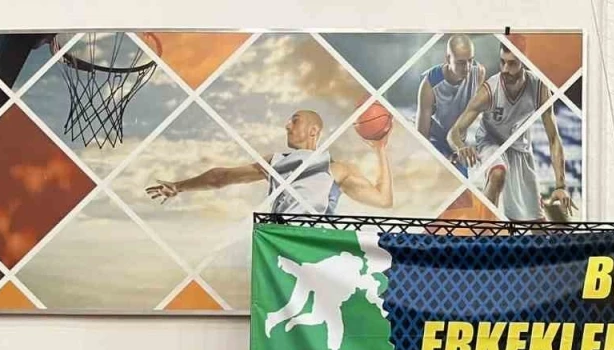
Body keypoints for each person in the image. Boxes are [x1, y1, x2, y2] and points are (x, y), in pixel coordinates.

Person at [147, 109, 393, 215]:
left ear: (313, 130)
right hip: (281, 248)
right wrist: (179, 186)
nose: (287, 125)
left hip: (314, 252)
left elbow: (384, 200)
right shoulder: (277, 162)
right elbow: (220, 177)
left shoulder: (337, 168)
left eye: (295, 120)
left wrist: (380, 150)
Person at [447, 42, 571, 221]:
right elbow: (455, 131)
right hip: (490, 142)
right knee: (498, 173)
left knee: (536, 224)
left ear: (524, 62)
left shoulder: (540, 88)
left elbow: (553, 138)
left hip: (520, 149)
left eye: (512, 63)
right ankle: (485, 233)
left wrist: (561, 186)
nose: (505, 69)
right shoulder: (488, 91)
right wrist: (460, 146)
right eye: (502, 62)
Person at [417, 34, 487, 169]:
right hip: (435, 143)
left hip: (457, 142)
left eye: (470, 60)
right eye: (461, 62)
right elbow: (421, 138)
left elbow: (470, 112)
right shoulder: (428, 85)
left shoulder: (479, 73)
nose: (467, 67)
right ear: (448, 59)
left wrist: (458, 144)